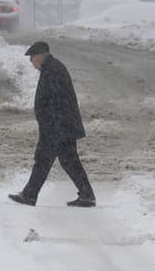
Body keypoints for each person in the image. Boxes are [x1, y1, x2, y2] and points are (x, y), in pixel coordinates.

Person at [8, 41, 96, 208]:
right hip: (60, 126)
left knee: (43, 161)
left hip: (57, 127)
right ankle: (87, 195)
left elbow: (56, 101)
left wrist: (51, 126)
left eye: (32, 58)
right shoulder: (51, 68)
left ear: (41, 56)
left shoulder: (53, 70)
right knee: (69, 161)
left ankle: (29, 195)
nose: (31, 62)